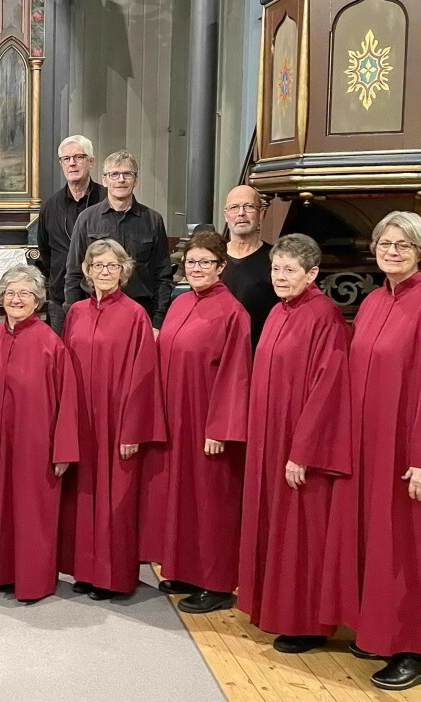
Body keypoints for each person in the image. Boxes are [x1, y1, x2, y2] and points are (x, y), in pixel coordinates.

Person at [338, 212, 421, 690]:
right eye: (384, 242)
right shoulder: (375, 301)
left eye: (403, 244)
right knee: (383, 545)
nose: (391, 251)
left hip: (416, 458)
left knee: (419, 550)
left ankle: (419, 650)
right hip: (376, 451)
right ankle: (384, 630)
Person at [237, 234, 352, 654]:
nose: (280, 277)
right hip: (270, 441)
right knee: (274, 527)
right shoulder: (277, 312)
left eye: (289, 270)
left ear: (313, 274)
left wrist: (302, 451)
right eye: (275, 269)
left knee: (301, 534)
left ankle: (306, 622)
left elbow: (328, 390)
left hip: (298, 448)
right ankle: (274, 609)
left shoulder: (324, 317)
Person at [147, 231, 252, 614]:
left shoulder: (232, 312)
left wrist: (221, 428)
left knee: (211, 503)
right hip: (177, 418)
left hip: (208, 422)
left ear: (221, 267)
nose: (197, 269)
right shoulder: (179, 304)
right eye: (191, 262)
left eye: (206, 262)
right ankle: (184, 569)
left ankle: (217, 582)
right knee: (183, 498)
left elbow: (237, 374)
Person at [59, 238, 166, 599]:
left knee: (115, 498)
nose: (105, 272)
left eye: (112, 266)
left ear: (124, 271)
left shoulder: (135, 314)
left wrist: (133, 429)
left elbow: (144, 376)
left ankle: (114, 577)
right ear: (87, 271)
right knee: (83, 494)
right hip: (83, 421)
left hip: (118, 422)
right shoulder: (75, 312)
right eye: (98, 266)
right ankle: (86, 571)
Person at [0, 265, 79, 603]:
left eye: (24, 293)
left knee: (31, 511)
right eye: (10, 293)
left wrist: (63, 451)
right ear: (1, 298)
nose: (16, 299)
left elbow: (68, 401)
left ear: (38, 300)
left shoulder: (50, 343)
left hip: (34, 445)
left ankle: (31, 580)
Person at [64, 151, 173, 330]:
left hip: (140, 313)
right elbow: (74, 273)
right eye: (114, 174)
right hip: (94, 313)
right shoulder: (86, 219)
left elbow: (162, 275)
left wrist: (158, 322)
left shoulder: (153, 220)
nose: (120, 179)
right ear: (105, 180)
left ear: (135, 180)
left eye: (127, 174)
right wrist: (73, 318)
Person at [36, 136, 107, 334]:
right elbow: (46, 252)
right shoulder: (50, 206)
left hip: (100, 296)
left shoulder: (107, 200)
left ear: (91, 161)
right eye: (66, 159)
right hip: (61, 299)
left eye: (78, 157)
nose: (72, 163)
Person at [219, 186, 278, 350]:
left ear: (261, 214)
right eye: (234, 207)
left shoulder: (276, 260)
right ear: (226, 215)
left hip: (260, 352)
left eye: (249, 206)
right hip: (217, 353)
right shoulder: (212, 259)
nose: (241, 213)